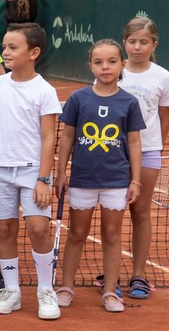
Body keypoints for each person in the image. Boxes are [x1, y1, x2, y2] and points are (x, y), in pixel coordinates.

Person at [0, 23, 63, 320]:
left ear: (33, 52)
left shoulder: (45, 91)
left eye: (13, 47)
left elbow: (49, 137)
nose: (5, 52)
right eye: (5, 46)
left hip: (33, 170)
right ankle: (12, 290)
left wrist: (43, 178)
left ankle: (45, 290)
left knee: (38, 228)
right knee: (5, 229)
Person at [54, 39, 144, 313]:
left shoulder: (129, 102)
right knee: (77, 233)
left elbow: (135, 142)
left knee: (112, 235)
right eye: (98, 62)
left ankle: (110, 292)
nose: (105, 67)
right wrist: (60, 172)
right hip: (83, 178)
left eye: (112, 61)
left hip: (116, 180)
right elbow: (67, 136)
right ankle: (66, 286)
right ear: (90, 66)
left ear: (122, 65)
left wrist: (135, 179)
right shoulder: (79, 98)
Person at [119, 17, 169, 299]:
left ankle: (138, 275)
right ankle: (111, 272)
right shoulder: (114, 71)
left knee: (140, 212)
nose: (137, 47)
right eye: (132, 42)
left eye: (143, 42)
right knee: (112, 213)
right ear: (124, 43)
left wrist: (154, 147)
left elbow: (164, 118)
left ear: (154, 44)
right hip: (112, 151)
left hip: (148, 152)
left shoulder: (163, 76)